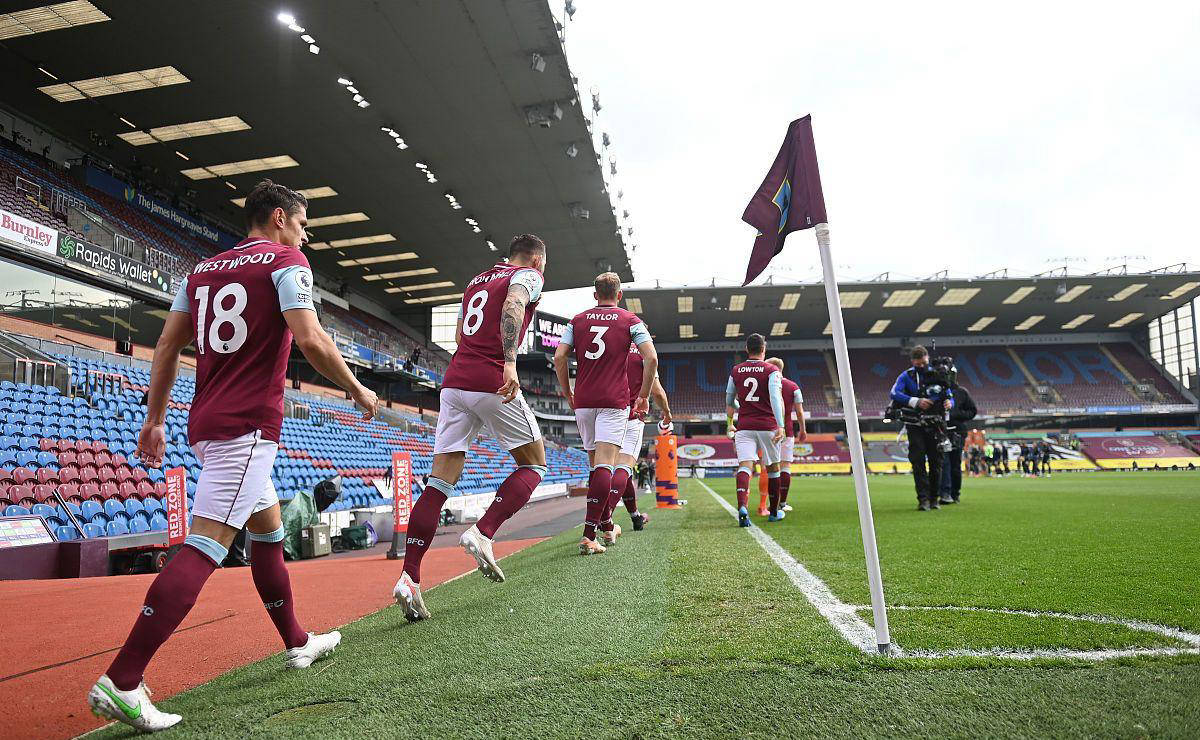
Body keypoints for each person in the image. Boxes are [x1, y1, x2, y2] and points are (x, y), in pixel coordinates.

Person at [89, 180, 379, 732]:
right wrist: (359, 390)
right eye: (301, 222)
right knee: (206, 546)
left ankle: (296, 641)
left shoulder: (198, 272)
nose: (305, 233)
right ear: (277, 218)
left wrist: (154, 420)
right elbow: (312, 339)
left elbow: (169, 346)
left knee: (268, 530)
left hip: (208, 421)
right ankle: (122, 680)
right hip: (247, 426)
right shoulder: (286, 261)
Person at [393, 234, 549, 621]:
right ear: (534, 259)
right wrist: (509, 362)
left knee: (437, 484)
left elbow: (462, 332)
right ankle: (483, 532)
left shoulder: (477, 281)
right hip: (492, 378)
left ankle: (408, 578)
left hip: (455, 380)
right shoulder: (528, 275)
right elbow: (513, 304)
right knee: (534, 464)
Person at [554, 272, 657, 554]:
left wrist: (567, 392)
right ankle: (589, 535)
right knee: (606, 466)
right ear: (619, 295)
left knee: (594, 466)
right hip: (614, 401)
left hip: (584, 400)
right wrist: (644, 397)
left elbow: (560, 356)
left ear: (594, 294)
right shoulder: (630, 321)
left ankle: (608, 526)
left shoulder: (577, 320)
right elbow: (651, 357)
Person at [602, 341, 671, 534]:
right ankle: (605, 516)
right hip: (631, 415)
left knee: (621, 470)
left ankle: (635, 517)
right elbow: (656, 391)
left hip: (605, 414)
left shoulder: (611, 348)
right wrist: (666, 412)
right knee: (624, 466)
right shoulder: (644, 353)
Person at [727, 334, 786, 526]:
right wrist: (781, 425)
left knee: (745, 466)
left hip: (744, 427)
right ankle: (774, 512)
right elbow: (775, 398)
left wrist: (741, 405)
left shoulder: (736, 370)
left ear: (746, 349)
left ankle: (742, 506)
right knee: (773, 468)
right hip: (767, 426)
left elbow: (729, 400)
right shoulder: (772, 370)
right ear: (764, 349)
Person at [889, 345, 953, 511]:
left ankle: (934, 499)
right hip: (915, 424)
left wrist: (949, 403)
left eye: (924, 363)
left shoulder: (939, 372)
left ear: (927, 358)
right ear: (912, 362)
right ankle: (923, 499)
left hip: (937, 424)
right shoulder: (907, 375)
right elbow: (894, 393)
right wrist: (916, 401)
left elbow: (950, 395)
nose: (922, 368)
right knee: (918, 462)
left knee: (936, 462)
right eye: (918, 365)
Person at [765, 357, 806, 513]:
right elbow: (799, 411)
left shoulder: (766, 384)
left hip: (768, 430)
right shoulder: (793, 386)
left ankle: (769, 504)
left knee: (770, 468)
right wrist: (802, 429)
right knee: (785, 467)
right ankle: (782, 503)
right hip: (787, 430)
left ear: (774, 367)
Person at [939, 380, 977, 504]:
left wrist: (957, 414)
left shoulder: (961, 392)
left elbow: (972, 411)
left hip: (957, 432)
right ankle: (945, 493)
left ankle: (954, 493)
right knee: (943, 463)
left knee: (954, 464)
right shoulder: (935, 391)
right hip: (940, 431)